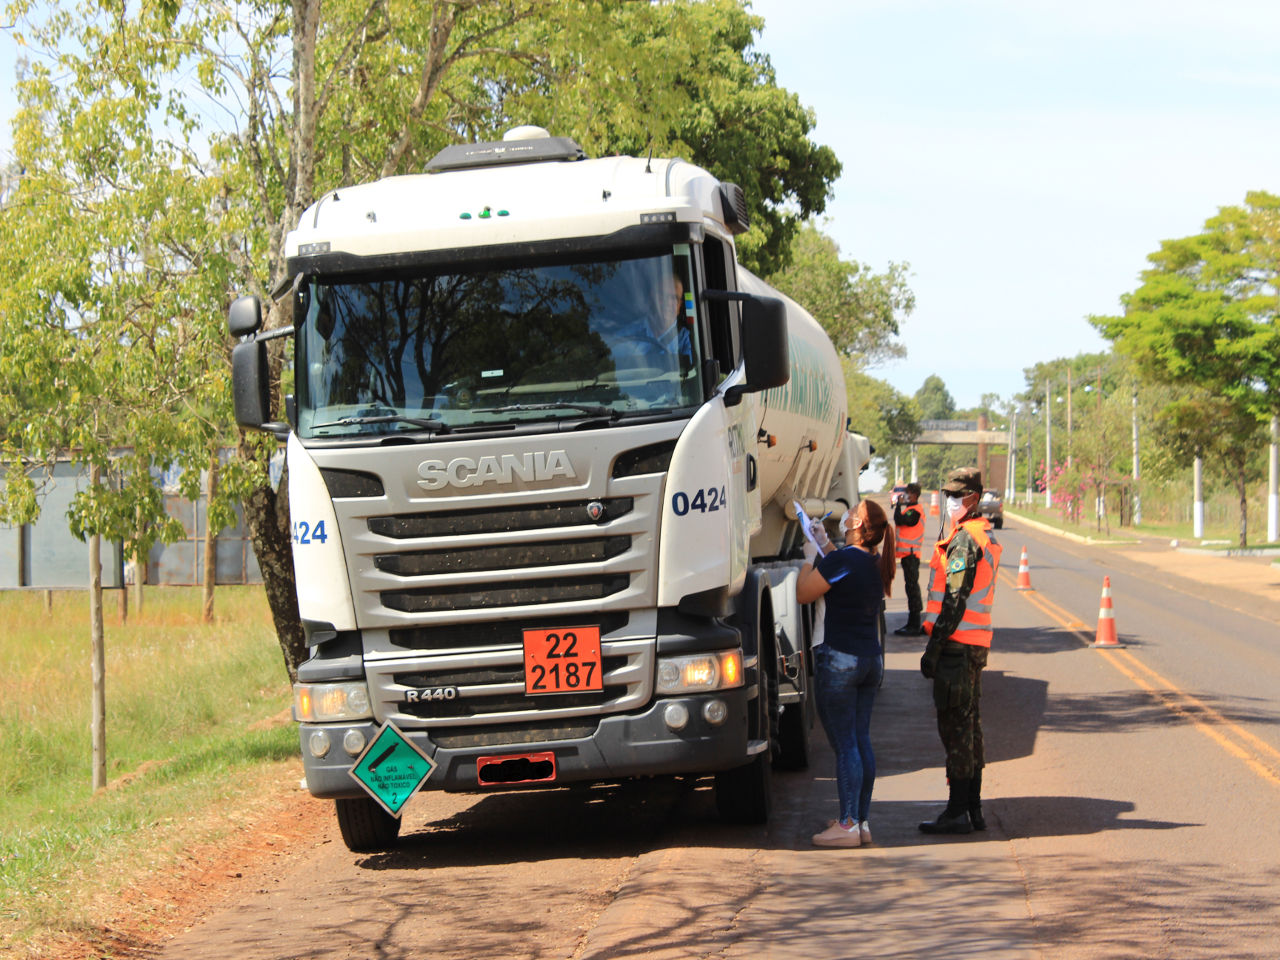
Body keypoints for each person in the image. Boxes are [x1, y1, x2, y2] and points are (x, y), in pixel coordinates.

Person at [796, 499, 896, 848]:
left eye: (853, 510)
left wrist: (810, 555)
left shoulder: (842, 560)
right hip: (870, 660)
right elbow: (841, 568)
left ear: (857, 524)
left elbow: (804, 593)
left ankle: (847, 824)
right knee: (860, 740)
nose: (847, 513)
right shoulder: (873, 561)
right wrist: (824, 543)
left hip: (840, 660)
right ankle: (861, 821)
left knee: (844, 745)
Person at [918, 467, 1003, 835]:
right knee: (970, 727)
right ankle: (973, 808)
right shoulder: (980, 534)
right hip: (973, 646)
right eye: (949, 494)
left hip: (956, 649)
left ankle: (958, 812)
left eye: (958, 495)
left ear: (973, 498)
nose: (951, 501)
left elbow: (954, 601)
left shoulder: (965, 541)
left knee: (956, 731)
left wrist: (933, 650)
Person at [892, 482, 926, 636]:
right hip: (907, 556)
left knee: (912, 588)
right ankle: (912, 623)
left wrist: (898, 506)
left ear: (914, 495)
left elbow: (900, 520)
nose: (905, 496)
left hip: (911, 555)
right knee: (910, 588)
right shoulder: (910, 510)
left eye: (908, 493)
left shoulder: (915, 512)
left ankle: (914, 624)